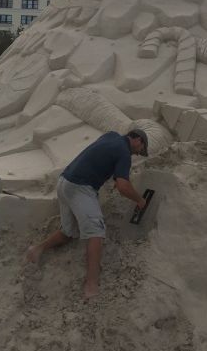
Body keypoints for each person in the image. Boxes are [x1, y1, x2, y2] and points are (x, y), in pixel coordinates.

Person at [26, 128, 148, 299]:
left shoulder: (111, 136)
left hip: (64, 182)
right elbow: (123, 187)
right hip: (80, 187)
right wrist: (140, 200)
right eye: (140, 149)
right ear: (138, 140)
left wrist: (114, 176)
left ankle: (36, 250)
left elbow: (99, 156)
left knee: (69, 232)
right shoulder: (124, 152)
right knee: (96, 231)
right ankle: (91, 284)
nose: (138, 153)